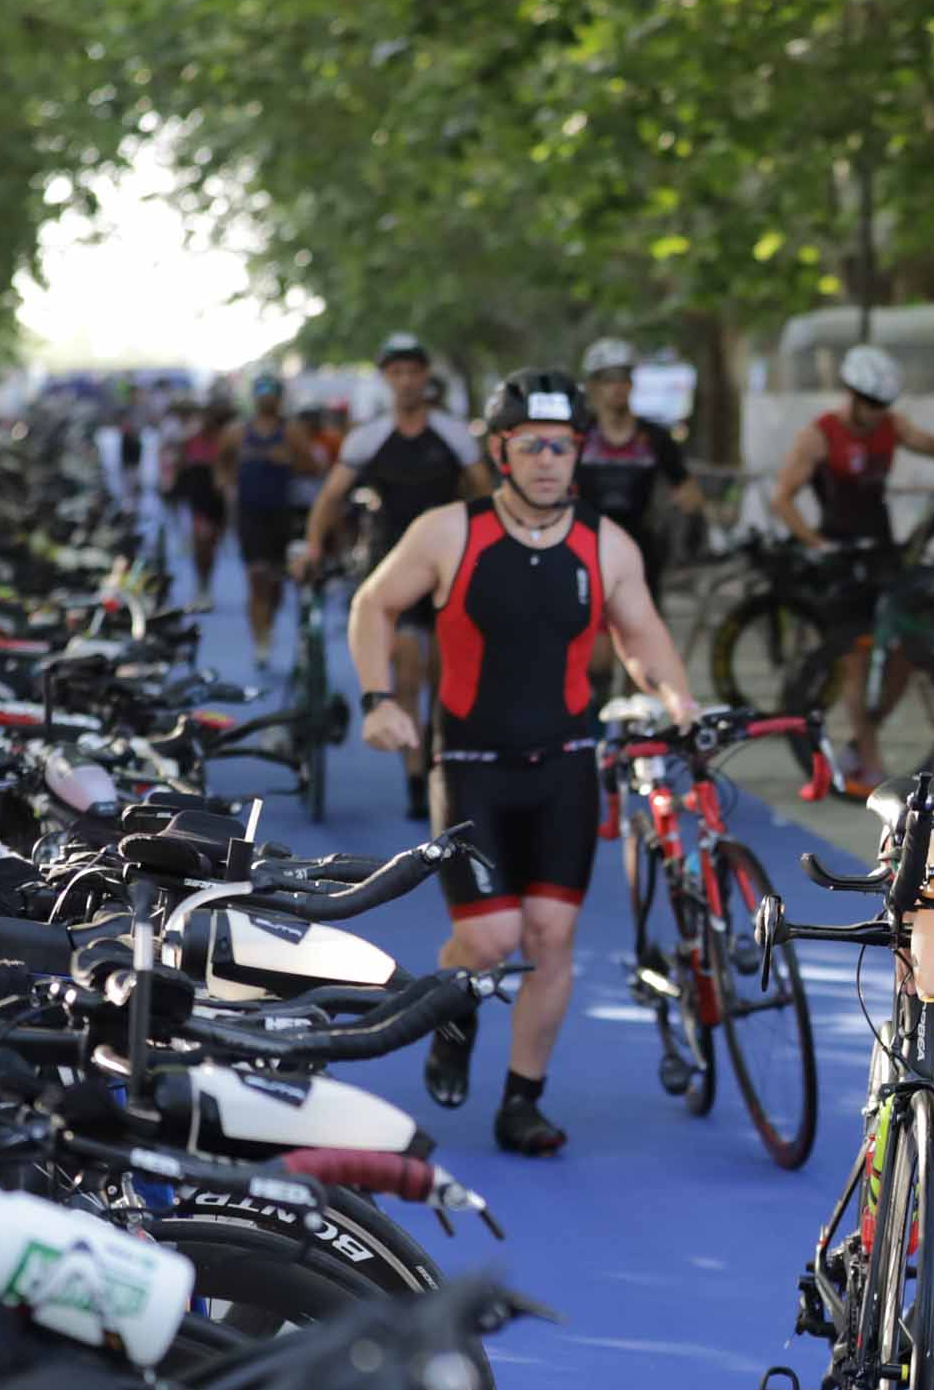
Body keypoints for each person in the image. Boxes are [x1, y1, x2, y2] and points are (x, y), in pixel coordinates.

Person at [347, 368, 698, 1156]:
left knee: (550, 937)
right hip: (471, 762)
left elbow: (639, 638)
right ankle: (456, 1013)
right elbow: (374, 604)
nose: (549, 461)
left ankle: (522, 1100)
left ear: (579, 454)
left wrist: (678, 702)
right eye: (531, 445)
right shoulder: (448, 531)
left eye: (563, 447)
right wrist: (379, 700)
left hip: (567, 763)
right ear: (501, 451)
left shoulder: (606, 545)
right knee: (487, 942)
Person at [767, 342, 934, 791]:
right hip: (841, 555)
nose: (874, 413)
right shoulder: (820, 435)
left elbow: (930, 444)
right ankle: (868, 759)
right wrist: (814, 541)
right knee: (856, 660)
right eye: (868, 403)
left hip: (883, 551)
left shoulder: (891, 426)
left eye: (882, 405)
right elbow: (782, 498)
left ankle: (859, 740)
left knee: (904, 654)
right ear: (851, 394)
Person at [303, 335, 490, 820]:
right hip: (393, 566)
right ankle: (414, 775)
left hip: (450, 565)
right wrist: (312, 545)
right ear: (387, 379)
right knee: (407, 671)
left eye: (414, 371)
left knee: (442, 677)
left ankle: (437, 761)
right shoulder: (368, 437)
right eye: (396, 372)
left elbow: (488, 499)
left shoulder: (452, 435)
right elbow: (330, 497)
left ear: (425, 377)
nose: (406, 381)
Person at [575, 337, 705, 600]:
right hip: (584, 551)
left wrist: (681, 526)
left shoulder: (655, 437)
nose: (617, 387)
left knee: (640, 635)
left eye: (624, 378)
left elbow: (689, 493)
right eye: (607, 379)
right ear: (593, 386)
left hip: (640, 552)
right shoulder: (578, 436)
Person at [218, 374, 317, 669]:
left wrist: (287, 460)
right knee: (256, 577)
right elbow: (222, 461)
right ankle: (260, 640)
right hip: (250, 514)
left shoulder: (292, 432)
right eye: (262, 392)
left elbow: (312, 467)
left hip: (281, 514)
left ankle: (269, 622)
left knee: (276, 582)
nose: (267, 398)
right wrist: (225, 483)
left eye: (272, 393)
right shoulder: (236, 432)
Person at [170, 393, 234, 598]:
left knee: (212, 544)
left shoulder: (226, 440)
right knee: (201, 542)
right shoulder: (191, 439)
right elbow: (179, 464)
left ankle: (206, 581)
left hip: (217, 499)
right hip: (199, 498)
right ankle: (201, 583)